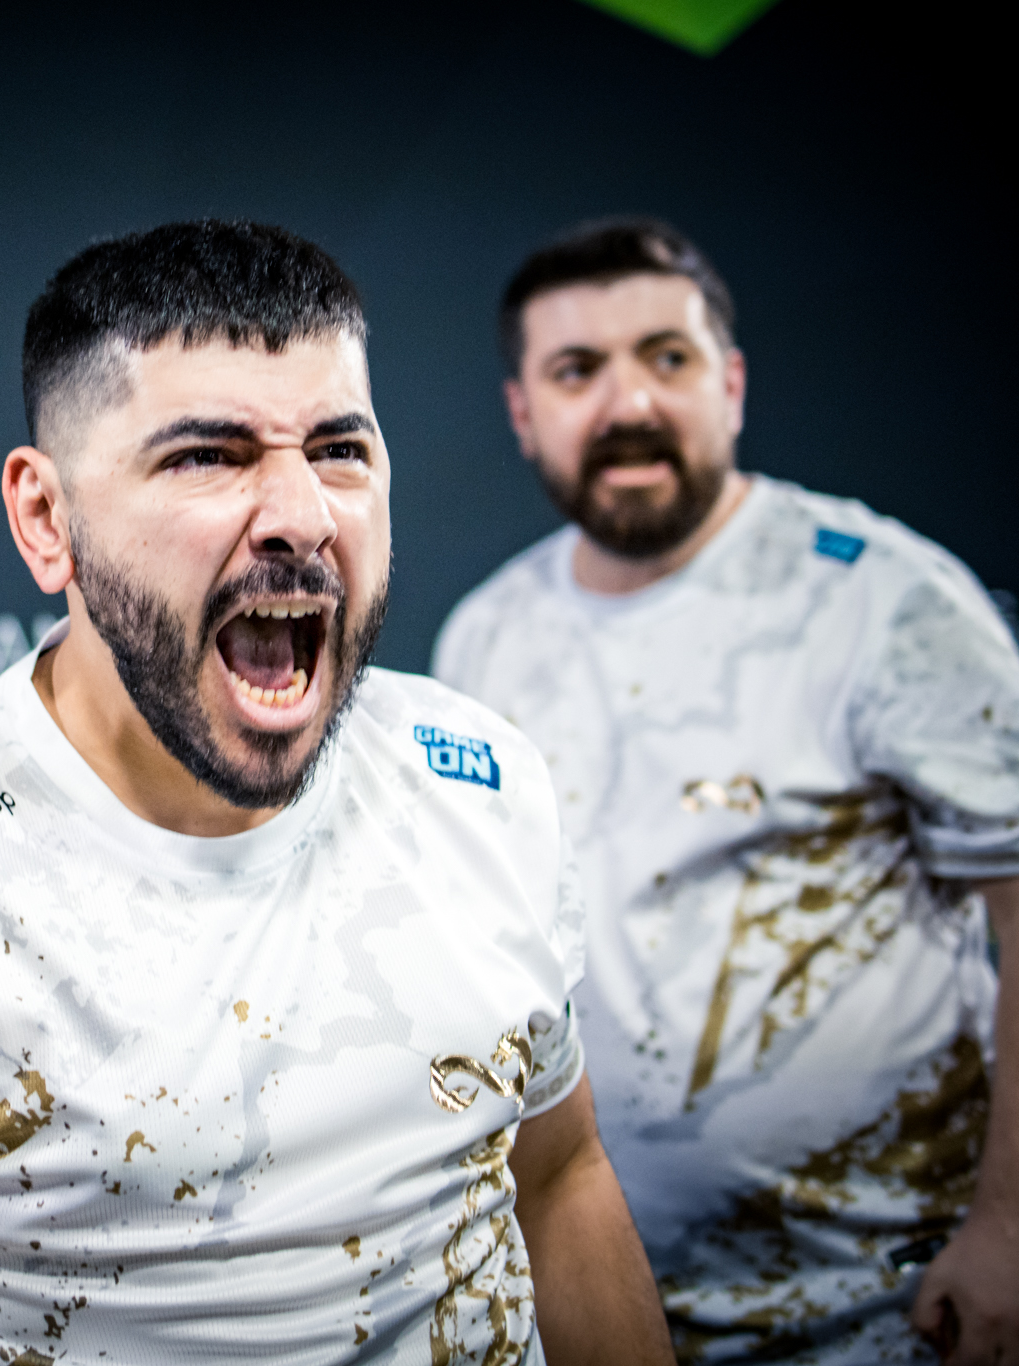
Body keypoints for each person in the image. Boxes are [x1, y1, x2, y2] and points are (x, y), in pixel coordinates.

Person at [0, 220, 672, 1365]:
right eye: (207, 455)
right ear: (46, 520)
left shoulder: (481, 781)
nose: (302, 515)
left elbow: (558, 1176)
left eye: (338, 450)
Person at [433, 218, 1019, 1364]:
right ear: (521, 413)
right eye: (576, 370)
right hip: (603, 1311)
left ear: (731, 384)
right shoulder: (485, 637)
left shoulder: (883, 601)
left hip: (888, 1314)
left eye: (666, 357)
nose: (628, 403)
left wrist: (1008, 1226)